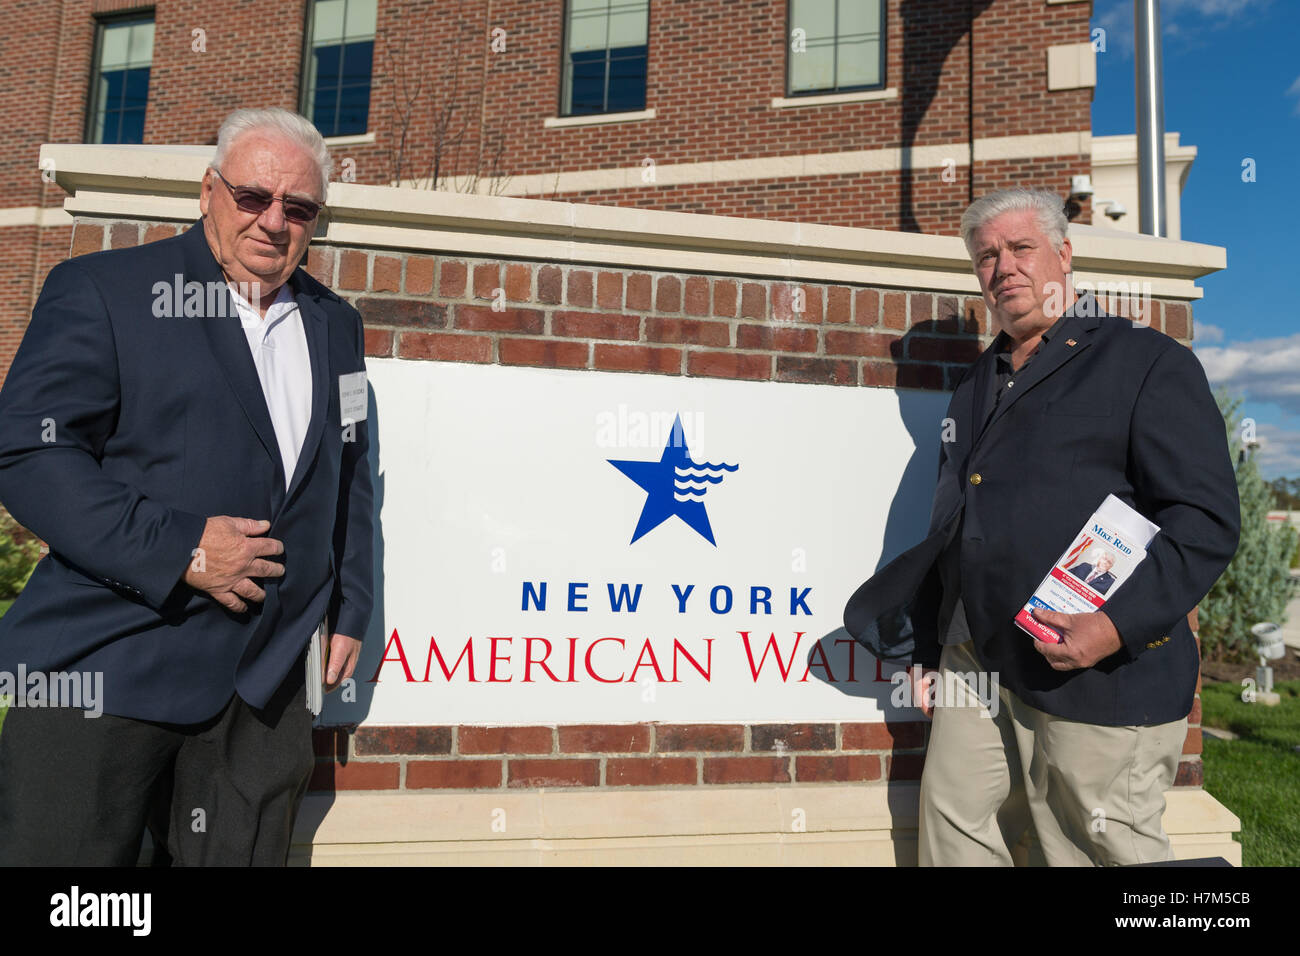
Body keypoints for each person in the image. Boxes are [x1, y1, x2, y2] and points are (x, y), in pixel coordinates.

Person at [0, 108, 374, 866]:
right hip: (110, 667)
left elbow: (350, 476)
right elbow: (29, 452)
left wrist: (351, 606)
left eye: (298, 209)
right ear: (208, 191)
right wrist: (180, 550)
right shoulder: (105, 290)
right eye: (252, 197)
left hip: (263, 698)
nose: (274, 222)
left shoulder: (338, 326)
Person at [844, 188, 1239, 866]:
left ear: (1064, 253)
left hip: (1095, 666)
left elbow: (1202, 519)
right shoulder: (977, 382)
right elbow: (955, 524)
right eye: (986, 257)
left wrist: (1114, 626)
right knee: (955, 830)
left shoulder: (1144, 361)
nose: (1003, 268)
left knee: (1092, 847)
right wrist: (931, 653)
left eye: (1021, 248)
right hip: (977, 660)